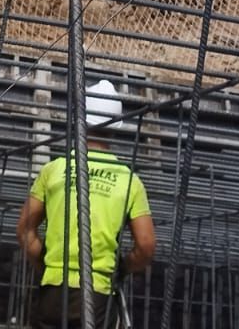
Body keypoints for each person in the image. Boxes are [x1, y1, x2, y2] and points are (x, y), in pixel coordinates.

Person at [16, 80, 156, 328]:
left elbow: (25, 230)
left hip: (52, 292)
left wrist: (47, 263)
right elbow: (146, 246)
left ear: (79, 120)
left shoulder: (54, 170)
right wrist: (122, 268)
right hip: (97, 294)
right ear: (115, 126)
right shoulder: (129, 180)